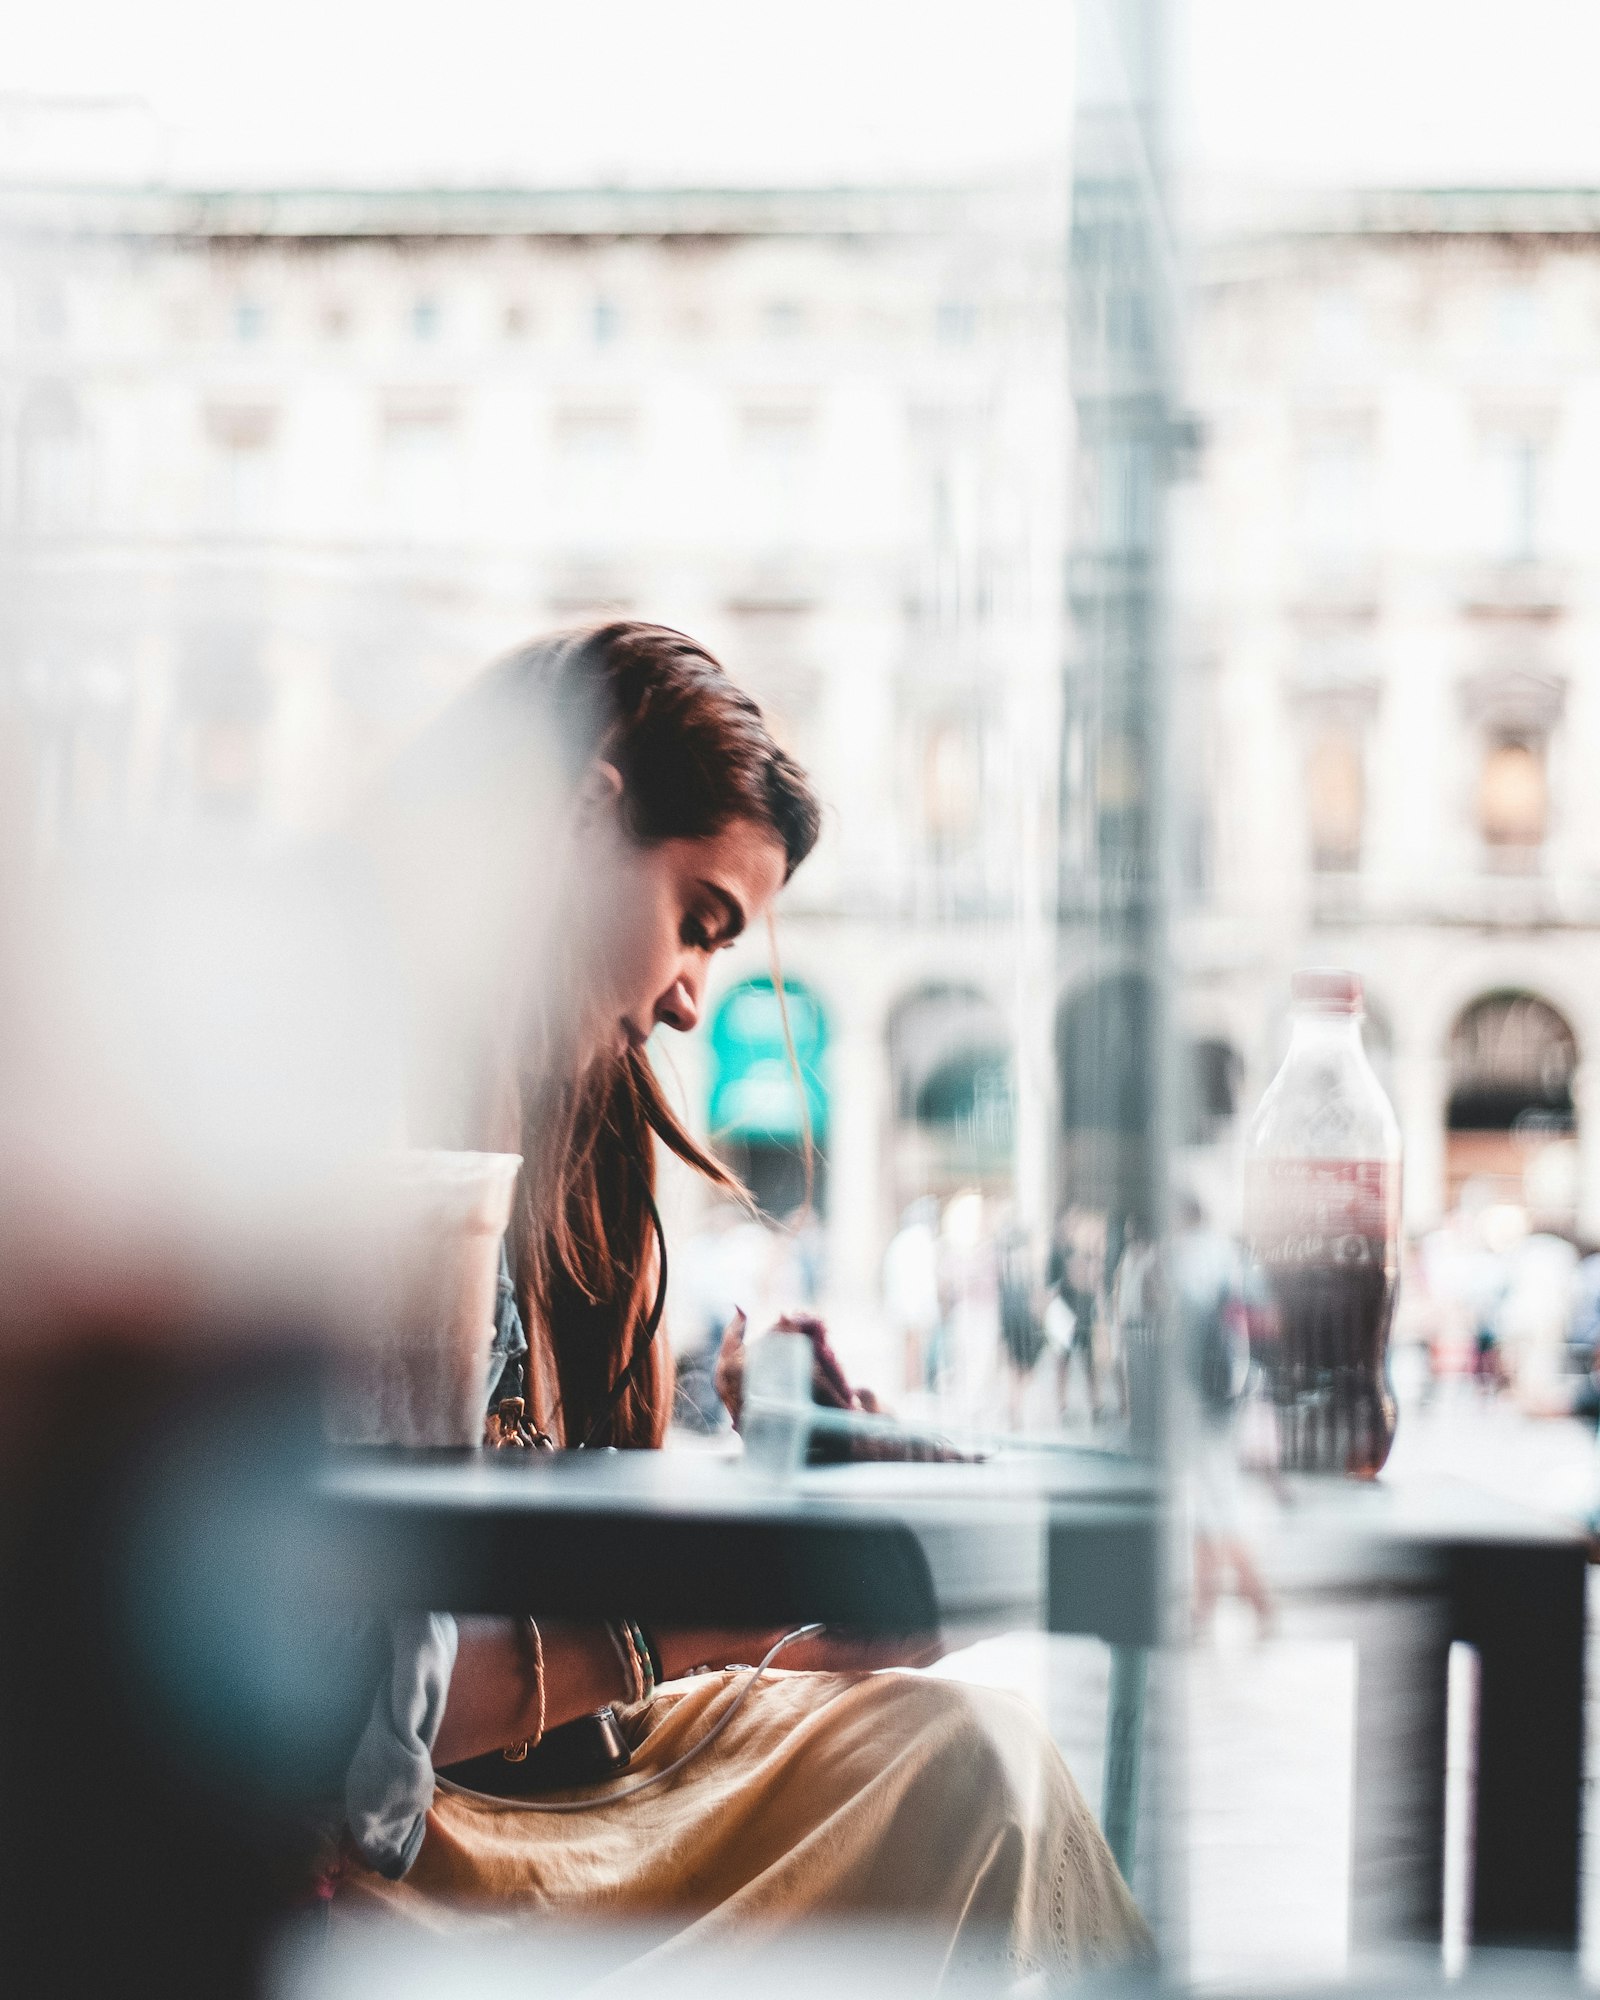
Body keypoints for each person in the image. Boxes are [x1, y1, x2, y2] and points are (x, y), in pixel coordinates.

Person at [333, 623, 1149, 1973]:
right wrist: (725, 1594)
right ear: (581, 822)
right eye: (698, 922)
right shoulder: (360, 1117)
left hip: (550, 1789)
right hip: (398, 1848)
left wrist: (796, 1552)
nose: (693, 1002)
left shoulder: (576, 1156)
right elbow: (358, 1727)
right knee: (981, 1783)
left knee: (975, 1748)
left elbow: (582, 1678)